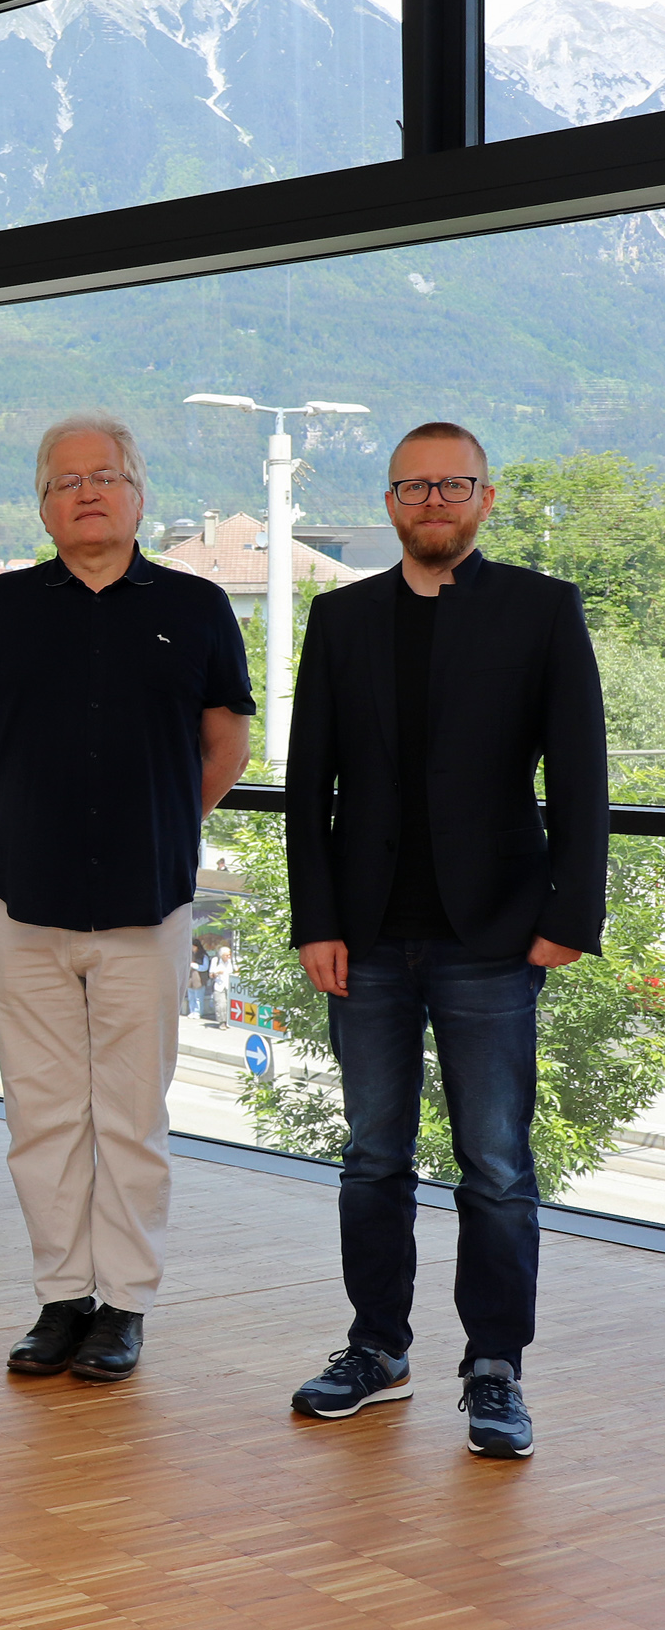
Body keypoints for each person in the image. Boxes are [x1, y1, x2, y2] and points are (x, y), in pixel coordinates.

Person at [283, 420, 606, 1461]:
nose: (432, 500)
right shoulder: (336, 619)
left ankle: (495, 1368)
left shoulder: (542, 610)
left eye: (451, 484)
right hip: (365, 940)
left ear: (485, 497)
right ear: (387, 503)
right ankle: (376, 1351)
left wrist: (569, 917)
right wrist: (314, 919)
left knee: (497, 1168)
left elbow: (582, 778)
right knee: (371, 1159)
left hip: (495, 937)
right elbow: (306, 791)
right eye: (412, 486)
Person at [0, 413, 252, 1384]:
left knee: (128, 1113)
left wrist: (159, 825)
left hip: (147, 903)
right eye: (64, 480)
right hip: (21, 902)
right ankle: (59, 1298)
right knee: (41, 1114)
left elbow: (224, 747)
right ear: (40, 503)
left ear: (137, 493)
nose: (86, 492)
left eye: (106, 476)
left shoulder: (201, 607)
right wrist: (36, 820)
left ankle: (123, 1305)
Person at [208, 944, 235, 1030]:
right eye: (226, 955)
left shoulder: (232, 961)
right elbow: (211, 975)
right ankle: (222, 1022)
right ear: (221, 955)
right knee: (220, 1004)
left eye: (229, 955)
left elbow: (236, 970)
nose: (228, 956)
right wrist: (217, 973)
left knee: (229, 1005)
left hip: (230, 986)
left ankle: (229, 1022)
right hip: (219, 985)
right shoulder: (215, 960)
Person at [186, 939, 209, 1020]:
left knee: (198, 997)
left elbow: (205, 967)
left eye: (193, 946)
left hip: (199, 979)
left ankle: (198, 1012)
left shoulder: (203, 955)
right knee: (191, 996)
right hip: (190, 978)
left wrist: (195, 965)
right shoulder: (190, 954)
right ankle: (192, 1011)